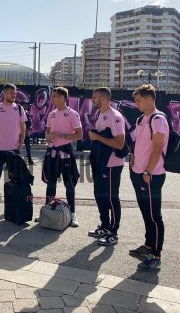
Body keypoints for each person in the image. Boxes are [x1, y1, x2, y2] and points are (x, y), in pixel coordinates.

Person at [129, 84, 169, 270]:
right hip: (138, 173)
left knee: (154, 216)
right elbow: (137, 142)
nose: (136, 104)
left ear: (149, 99)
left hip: (151, 175)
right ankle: (148, 246)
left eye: (139, 100)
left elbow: (158, 148)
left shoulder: (158, 119)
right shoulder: (141, 119)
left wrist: (148, 171)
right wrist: (132, 157)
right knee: (146, 213)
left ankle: (156, 255)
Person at [88, 87, 126, 246]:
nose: (92, 100)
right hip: (101, 162)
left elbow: (119, 143)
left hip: (112, 164)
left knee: (111, 197)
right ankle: (104, 226)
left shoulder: (115, 116)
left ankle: (113, 232)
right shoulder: (101, 114)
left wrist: (97, 137)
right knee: (99, 194)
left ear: (103, 99)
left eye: (94, 97)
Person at [40, 87, 82, 227]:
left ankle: (73, 214)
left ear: (63, 98)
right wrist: (47, 137)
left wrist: (61, 135)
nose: (52, 99)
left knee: (69, 184)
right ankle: (47, 212)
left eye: (55, 96)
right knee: (51, 183)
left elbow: (79, 134)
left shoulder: (72, 114)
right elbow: (47, 131)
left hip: (66, 151)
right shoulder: (51, 114)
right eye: (52, 97)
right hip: (52, 151)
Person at [0, 83, 27, 215]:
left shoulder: (19, 108)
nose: (14, 96)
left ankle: (11, 204)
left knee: (14, 178)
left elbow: (23, 128)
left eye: (15, 93)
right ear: (4, 93)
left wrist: (20, 144)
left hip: (13, 150)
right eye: (11, 93)